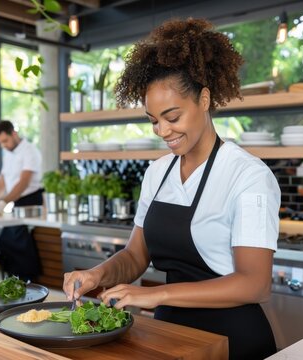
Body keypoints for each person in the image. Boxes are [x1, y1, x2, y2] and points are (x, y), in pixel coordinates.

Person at [63, 18, 280, 360]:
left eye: (173, 116)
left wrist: (157, 296)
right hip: (170, 336)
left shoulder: (247, 175)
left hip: (233, 341)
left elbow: (255, 283)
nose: (162, 130)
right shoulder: (157, 172)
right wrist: (97, 274)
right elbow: (136, 256)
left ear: (204, 99)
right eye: (153, 120)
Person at [0, 120, 43, 282]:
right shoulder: (8, 153)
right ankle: (14, 279)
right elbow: (2, 180)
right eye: (0, 143)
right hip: (16, 201)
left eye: (5, 141)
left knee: (16, 240)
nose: (3, 145)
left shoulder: (30, 151)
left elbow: (23, 183)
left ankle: (28, 279)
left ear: (14, 134)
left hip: (31, 201)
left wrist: (3, 202)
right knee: (4, 241)